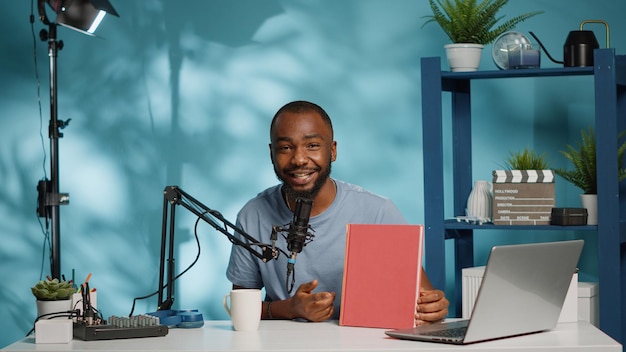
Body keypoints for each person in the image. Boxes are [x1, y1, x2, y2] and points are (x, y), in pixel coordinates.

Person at [226, 100, 449, 324]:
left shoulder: (377, 212)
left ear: (332, 151)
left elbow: (422, 300)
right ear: (271, 153)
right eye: (285, 147)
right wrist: (291, 308)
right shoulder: (253, 215)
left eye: (312, 145)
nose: (299, 159)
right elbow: (240, 308)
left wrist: (434, 309)